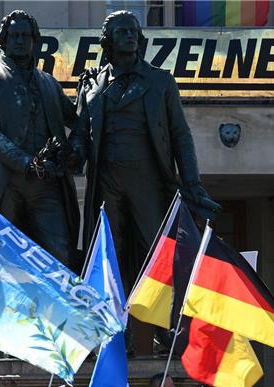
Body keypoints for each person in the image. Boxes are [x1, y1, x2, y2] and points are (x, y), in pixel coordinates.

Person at [70, 10, 218, 293]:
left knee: (154, 248)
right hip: (107, 181)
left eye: (133, 32)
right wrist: (71, 154)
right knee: (109, 251)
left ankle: (161, 314)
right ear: (108, 41)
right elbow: (80, 133)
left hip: (147, 179)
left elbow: (180, 135)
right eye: (122, 32)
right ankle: (113, 311)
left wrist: (192, 182)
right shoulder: (92, 84)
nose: (130, 36)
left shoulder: (160, 81)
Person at [0, 9, 79, 266]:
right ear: (4, 41)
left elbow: (77, 121)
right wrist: (27, 163)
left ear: (34, 40)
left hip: (46, 185)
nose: (20, 40)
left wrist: (91, 90)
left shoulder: (49, 84)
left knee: (61, 253)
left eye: (25, 36)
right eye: (14, 35)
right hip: (5, 182)